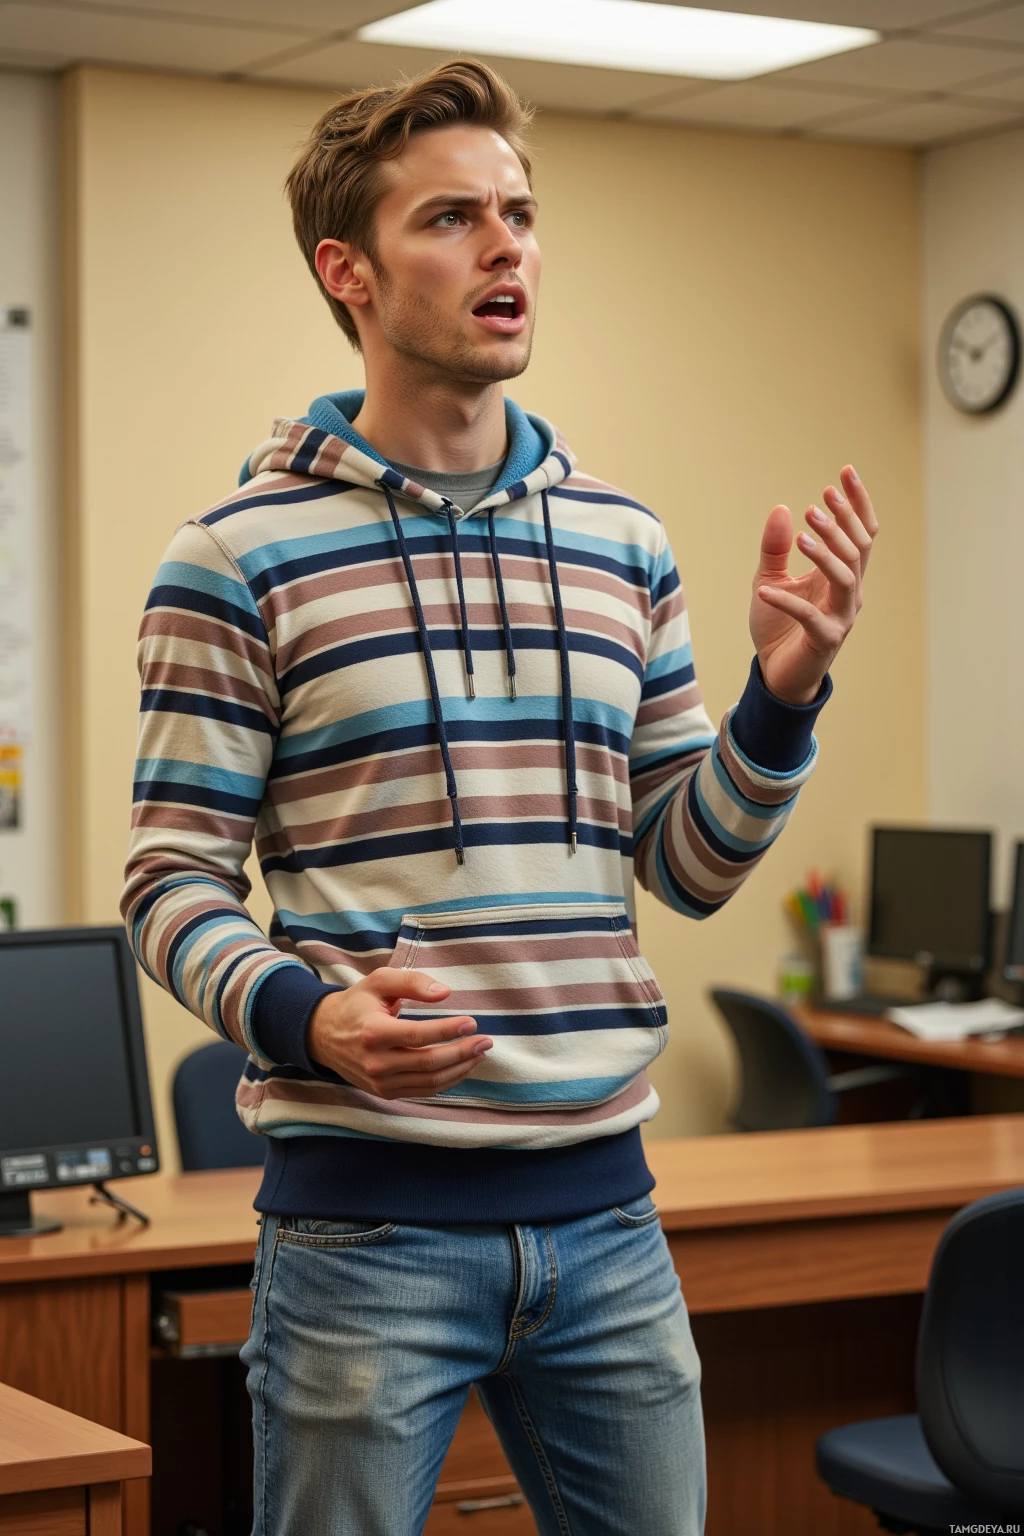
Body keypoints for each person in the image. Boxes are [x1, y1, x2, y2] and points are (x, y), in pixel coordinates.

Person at [122, 59, 877, 1536]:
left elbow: (689, 862)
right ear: (348, 271)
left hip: (611, 1222)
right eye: (454, 218)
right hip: (365, 1234)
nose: (507, 246)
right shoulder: (234, 556)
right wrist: (306, 1016)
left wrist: (782, 691)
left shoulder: (622, 543)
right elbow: (170, 883)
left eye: (519, 214)